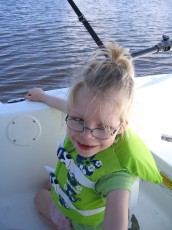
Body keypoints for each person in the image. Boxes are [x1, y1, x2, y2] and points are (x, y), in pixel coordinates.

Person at [26, 43, 162, 230]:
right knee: (45, 187)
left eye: (103, 127)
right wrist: (43, 96)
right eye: (77, 119)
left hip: (82, 225)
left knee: (39, 197)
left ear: (121, 127)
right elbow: (67, 106)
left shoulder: (117, 177)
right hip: (74, 197)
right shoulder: (85, 115)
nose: (86, 136)